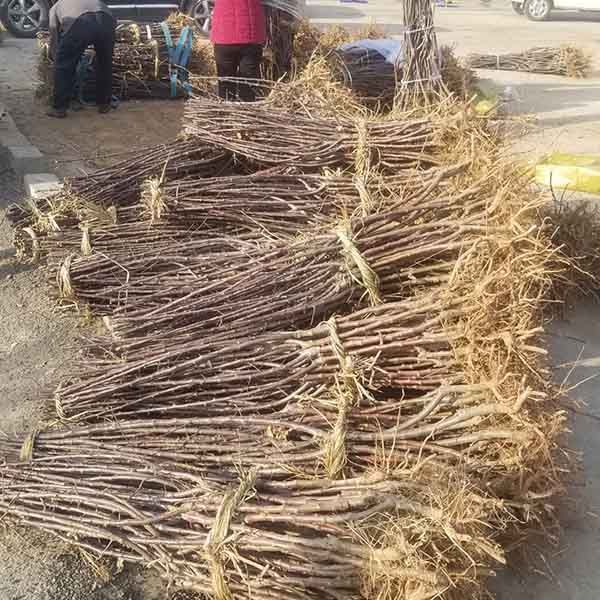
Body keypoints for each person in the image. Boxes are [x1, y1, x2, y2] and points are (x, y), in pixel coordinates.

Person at [47, 0, 116, 118]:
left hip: (81, 23)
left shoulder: (56, 7)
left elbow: (55, 37)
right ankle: (104, 103)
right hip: (107, 20)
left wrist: (56, 58)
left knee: (64, 66)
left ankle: (59, 108)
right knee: (104, 64)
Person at [210, 0, 266, 102]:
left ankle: (226, 114)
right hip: (251, 34)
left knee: (226, 86)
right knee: (248, 85)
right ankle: (246, 113)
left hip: (224, 33)